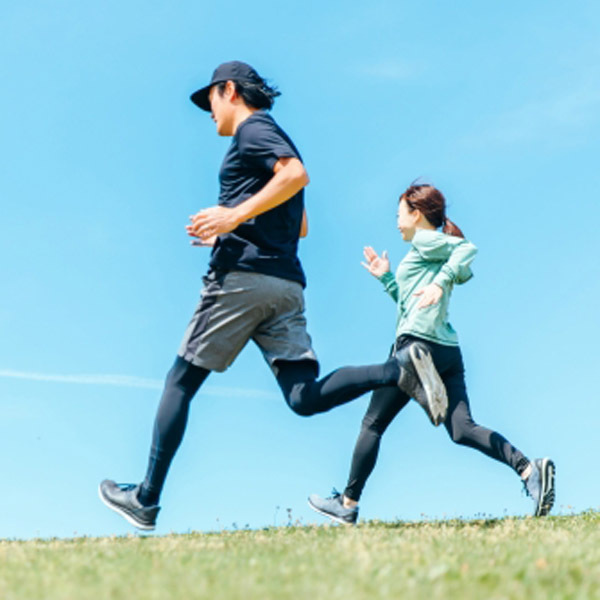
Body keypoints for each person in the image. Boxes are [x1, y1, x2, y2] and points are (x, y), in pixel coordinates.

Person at [98, 62, 448, 531]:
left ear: (230, 91)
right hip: (285, 286)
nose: (209, 113)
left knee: (180, 381)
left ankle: (146, 498)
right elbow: (299, 224)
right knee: (303, 397)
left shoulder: (254, 131)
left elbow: (296, 174)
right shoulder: (273, 140)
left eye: (212, 101)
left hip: (240, 281)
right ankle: (398, 369)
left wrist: (230, 218)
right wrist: (233, 225)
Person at [308, 183, 556, 525]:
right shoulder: (425, 252)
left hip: (416, 347)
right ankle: (529, 470)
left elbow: (467, 249)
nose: (396, 223)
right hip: (446, 351)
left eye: (398, 214)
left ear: (416, 213)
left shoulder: (427, 241)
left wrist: (440, 283)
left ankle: (347, 504)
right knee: (461, 428)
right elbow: (412, 304)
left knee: (373, 423)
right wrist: (387, 280)